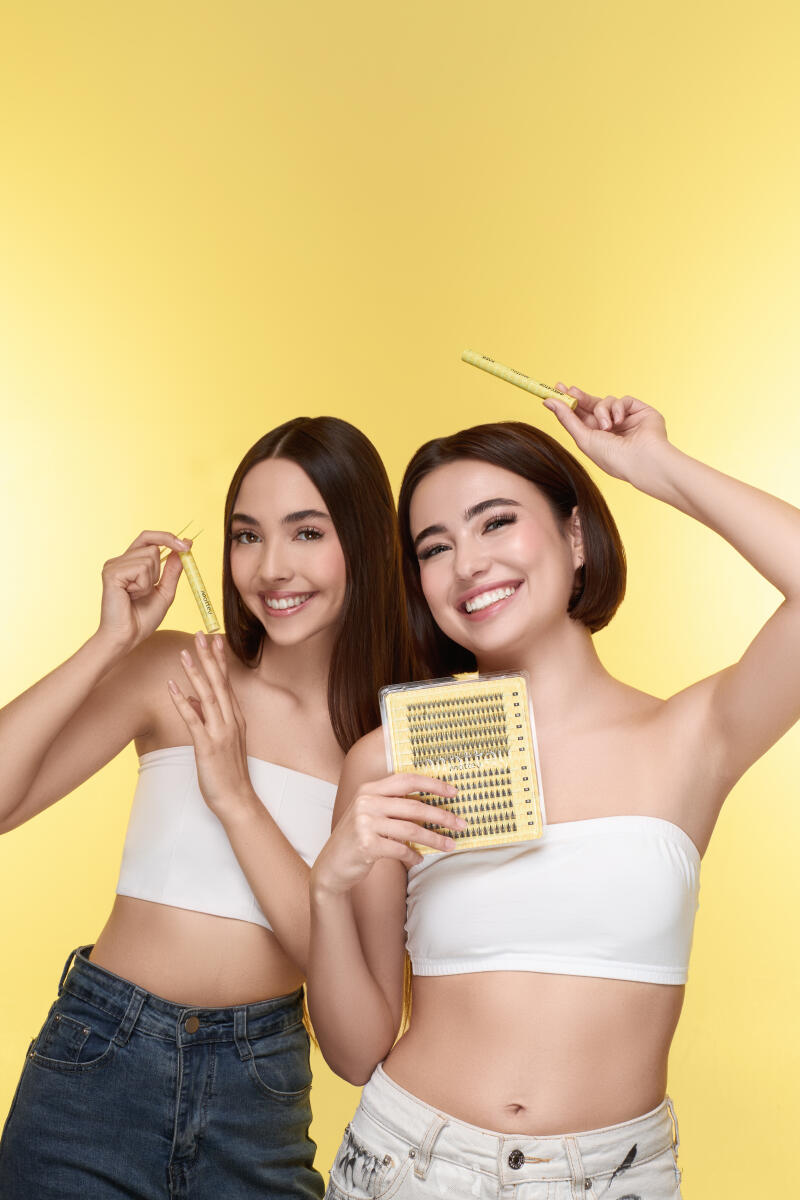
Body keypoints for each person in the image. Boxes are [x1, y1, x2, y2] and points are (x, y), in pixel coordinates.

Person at [307, 386, 800, 1200]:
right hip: (410, 1165)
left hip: (614, 1179)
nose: (467, 564)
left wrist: (656, 467)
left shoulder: (692, 738)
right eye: (433, 547)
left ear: (575, 536)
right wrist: (327, 885)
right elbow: (356, 1052)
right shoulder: (390, 760)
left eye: (497, 521)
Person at [0, 416, 415, 1200]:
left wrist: (236, 798)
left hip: (258, 1101)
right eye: (247, 535)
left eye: (306, 532)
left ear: (363, 541)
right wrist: (107, 645)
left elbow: (359, 1048)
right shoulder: (180, 671)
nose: (271, 568)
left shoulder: (387, 749)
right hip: (95, 1071)